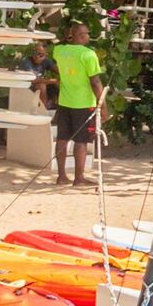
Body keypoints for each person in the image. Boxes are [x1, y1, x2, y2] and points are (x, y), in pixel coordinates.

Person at [47, 14, 105, 187]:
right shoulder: (88, 54)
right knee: (81, 141)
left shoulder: (60, 51)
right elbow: (95, 81)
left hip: (65, 101)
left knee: (62, 139)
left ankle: (61, 176)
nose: (89, 36)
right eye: (87, 33)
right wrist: (103, 105)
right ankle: (79, 178)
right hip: (84, 102)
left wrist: (66, 38)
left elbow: (55, 46)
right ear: (81, 36)